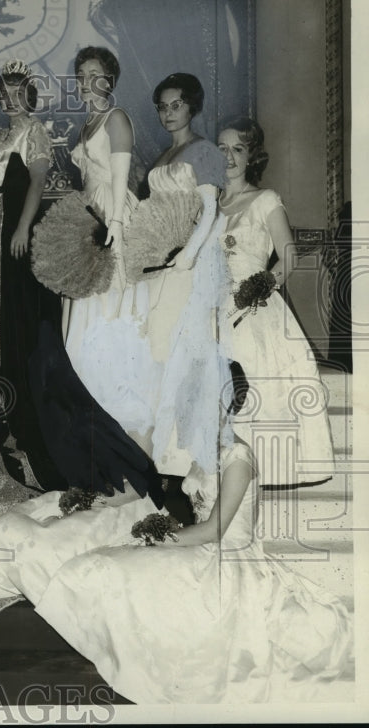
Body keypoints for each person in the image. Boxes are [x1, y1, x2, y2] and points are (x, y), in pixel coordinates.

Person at [0, 59, 162, 501]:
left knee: (104, 316)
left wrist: (25, 226)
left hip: (102, 218)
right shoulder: (14, 135)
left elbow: (35, 183)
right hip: (48, 219)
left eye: (19, 92)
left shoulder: (38, 133)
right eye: (5, 93)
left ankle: (115, 413)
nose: (12, 100)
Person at [32, 440, 353, 703]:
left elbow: (215, 530)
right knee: (103, 566)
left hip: (229, 557)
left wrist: (158, 539)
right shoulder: (203, 450)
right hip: (199, 547)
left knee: (112, 567)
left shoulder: (239, 457)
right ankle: (131, 661)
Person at [216, 117, 335, 485]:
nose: (230, 157)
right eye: (222, 149)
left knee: (256, 378)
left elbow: (290, 256)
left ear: (252, 156)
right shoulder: (210, 202)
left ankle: (266, 468)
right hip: (212, 305)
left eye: (238, 149)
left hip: (254, 305)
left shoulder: (264, 200)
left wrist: (258, 290)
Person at [136, 73, 233, 478]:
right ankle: (164, 456)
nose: (169, 113)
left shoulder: (203, 150)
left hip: (190, 261)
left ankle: (193, 456)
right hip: (165, 261)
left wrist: (188, 257)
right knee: (161, 349)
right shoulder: (162, 156)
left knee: (187, 351)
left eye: (176, 105)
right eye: (162, 106)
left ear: (192, 106)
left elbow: (209, 211)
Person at [62, 47, 157, 446]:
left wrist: (115, 224)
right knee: (86, 316)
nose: (86, 81)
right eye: (81, 75)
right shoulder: (86, 123)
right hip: (89, 213)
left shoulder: (116, 118)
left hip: (112, 214)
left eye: (94, 74)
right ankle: (93, 410)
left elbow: (121, 177)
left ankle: (126, 415)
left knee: (112, 310)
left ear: (110, 79)